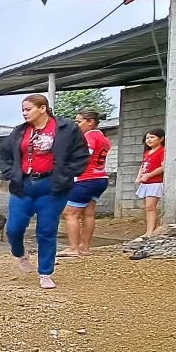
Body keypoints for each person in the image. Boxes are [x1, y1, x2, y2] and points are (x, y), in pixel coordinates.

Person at [0, 93, 90, 290]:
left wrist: (66, 174)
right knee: (13, 228)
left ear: (42, 108)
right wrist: (11, 173)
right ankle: (19, 254)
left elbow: (81, 154)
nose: (24, 113)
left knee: (46, 230)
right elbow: (4, 154)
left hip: (52, 187)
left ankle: (45, 273)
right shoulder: (20, 131)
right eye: (22, 110)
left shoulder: (66, 128)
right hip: (23, 185)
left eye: (28, 109)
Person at [59, 109, 111, 258]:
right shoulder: (104, 138)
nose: (76, 125)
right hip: (100, 177)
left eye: (79, 122)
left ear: (90, 122)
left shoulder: (88, 136)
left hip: (86, 179)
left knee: (70, 213)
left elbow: (84, 156)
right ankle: (85, 247)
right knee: (88, 213)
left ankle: (73, 248)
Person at [136, 127, 166, 237]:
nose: (149, 140)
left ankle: (150, 232)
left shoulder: (162, 151)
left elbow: (163, 167)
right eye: (147, 138)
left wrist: (149, 175)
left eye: (152, 137)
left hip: (155, 183)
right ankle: (149, 230)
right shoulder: (147, 152)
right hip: (146, 183)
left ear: (161, 139)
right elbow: (143, 166)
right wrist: (139, 176)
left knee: (150, 207)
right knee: (148, 208)